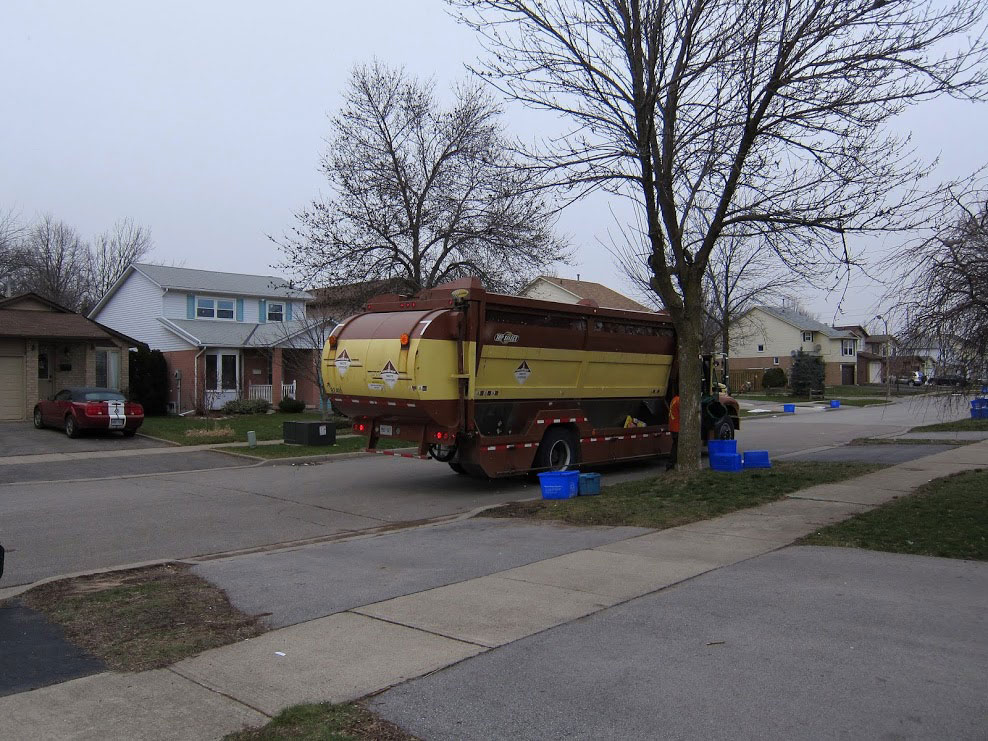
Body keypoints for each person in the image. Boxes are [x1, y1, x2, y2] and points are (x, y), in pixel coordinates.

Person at [667, 390, 680, 471]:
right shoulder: (679, 401)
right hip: (677, 427)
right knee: (676, 446)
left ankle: (671, 464)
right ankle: (671, 464)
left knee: (675, 445)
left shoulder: (674, 399)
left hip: (673, 426)